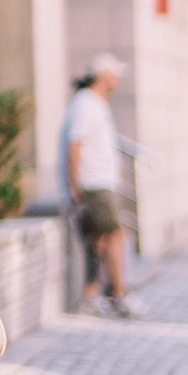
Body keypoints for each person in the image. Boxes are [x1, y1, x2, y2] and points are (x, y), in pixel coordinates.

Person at [64, 54, 136, 317]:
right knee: (116, 235)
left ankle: (93, 295)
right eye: (115, 76)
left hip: (101, 182)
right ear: (105, 78)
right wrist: (75, 185)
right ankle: (118, 294)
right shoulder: (86, 104)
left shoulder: (94, 104)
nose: (118, 82)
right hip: (95, 184)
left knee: (101, 240)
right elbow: (76, 145)